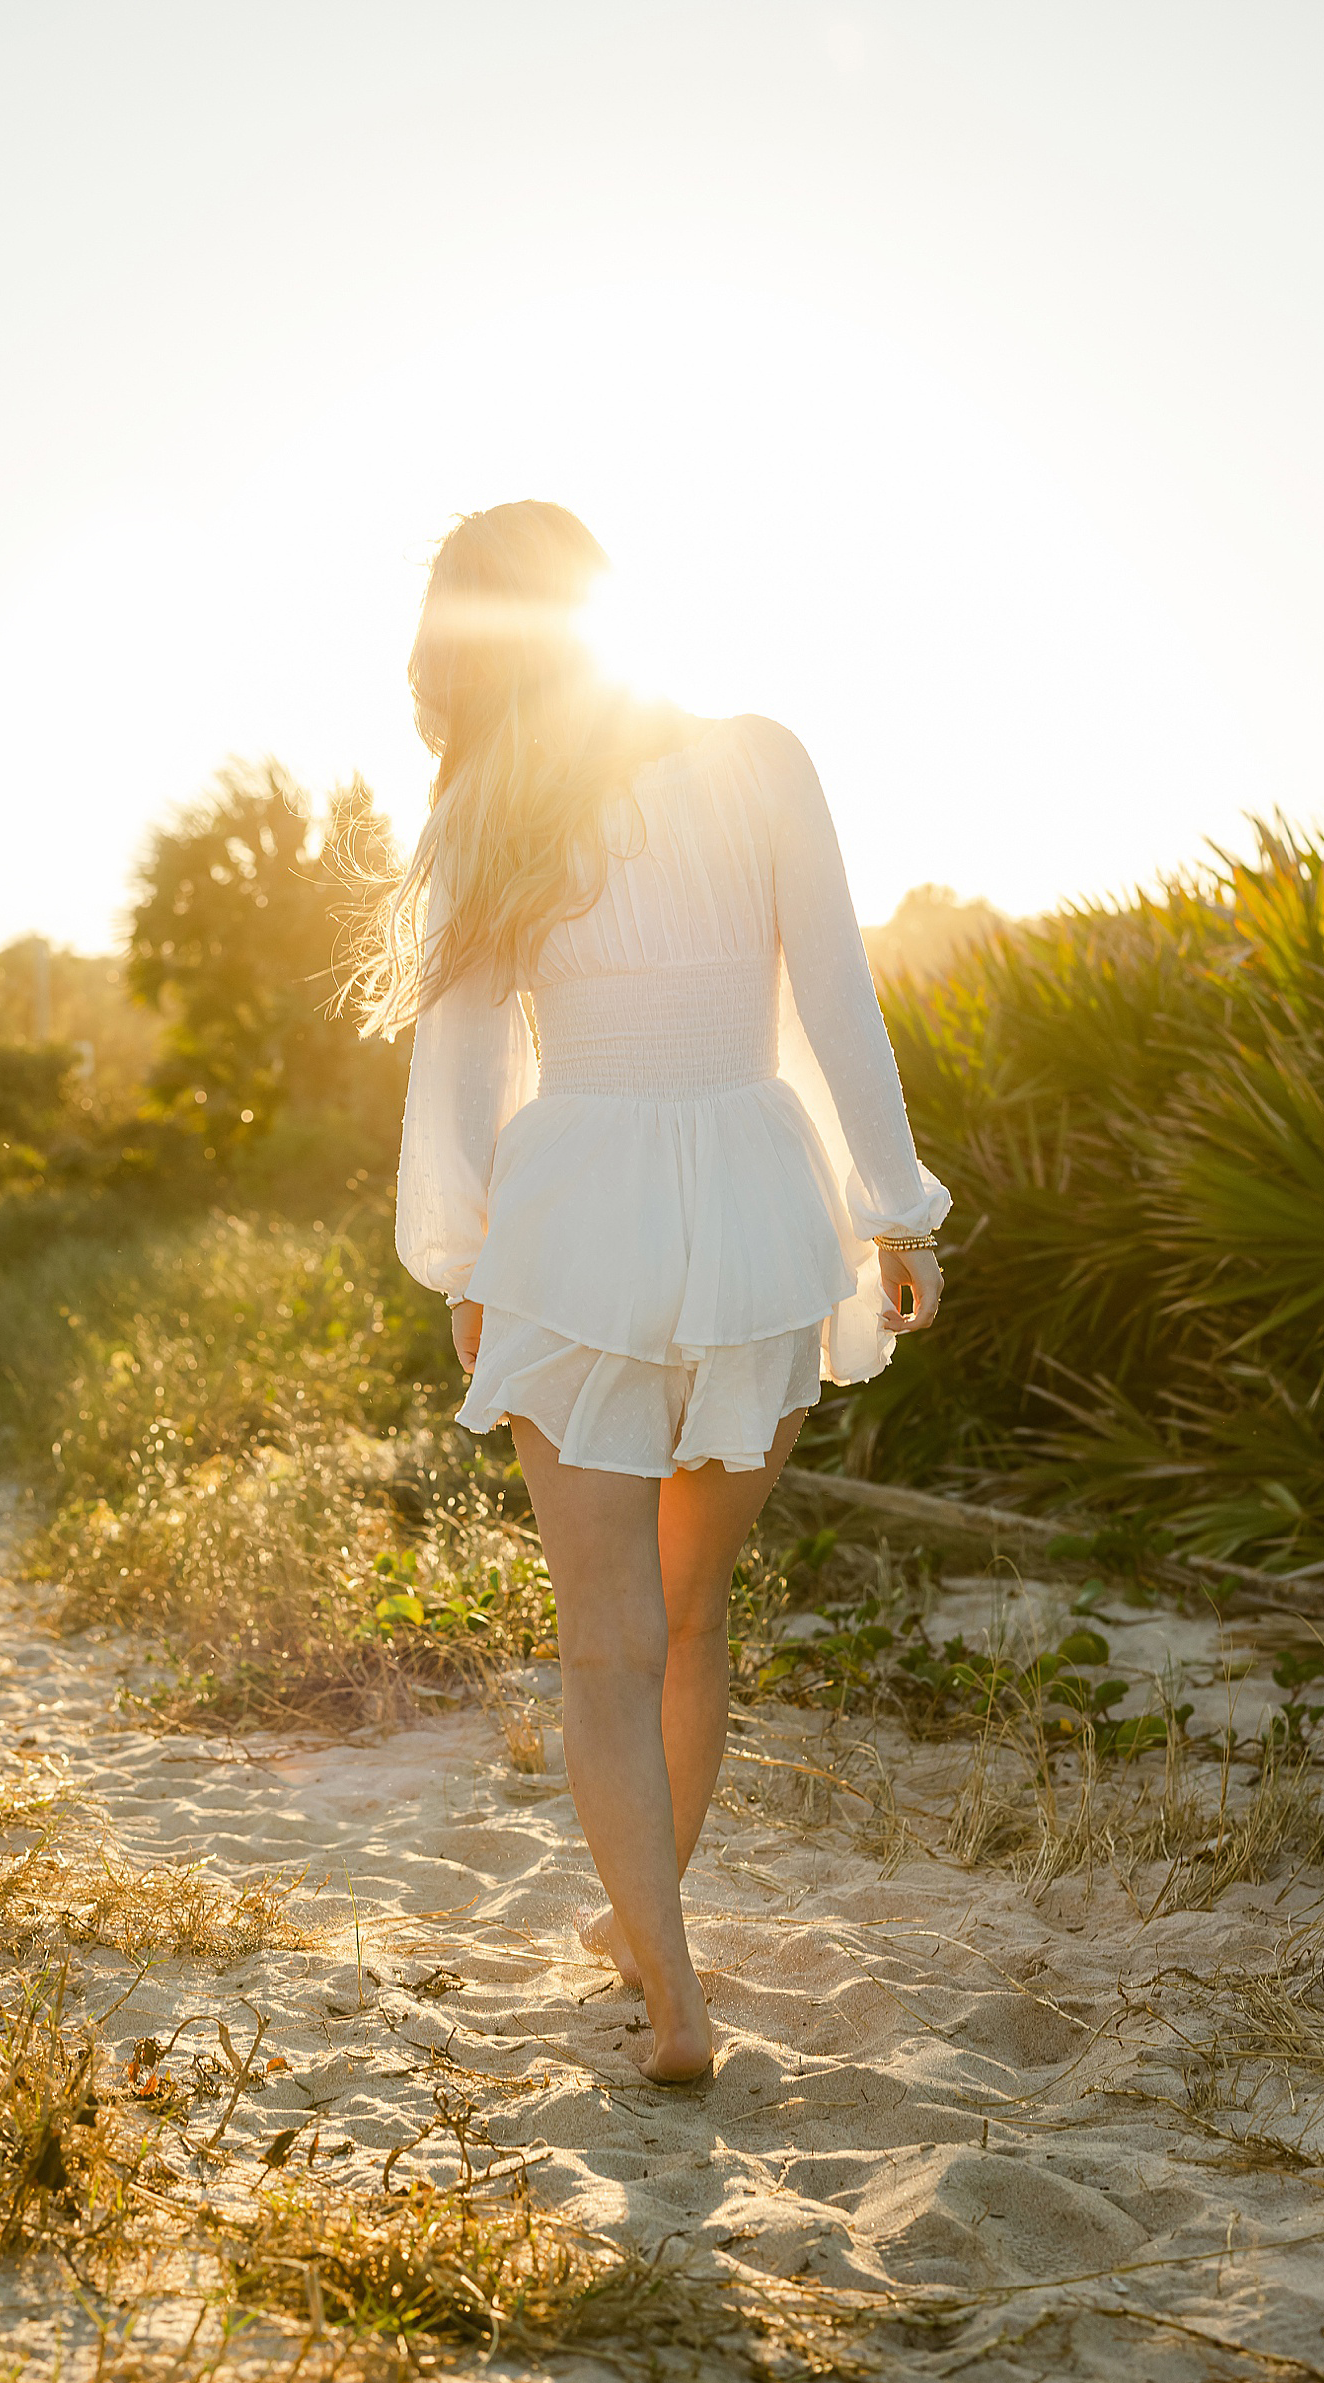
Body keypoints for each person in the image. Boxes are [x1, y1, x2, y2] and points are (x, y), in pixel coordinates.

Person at [351, 502, 947, 2083]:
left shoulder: (488, 805)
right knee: (691, 1618)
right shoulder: (764, 759)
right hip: (758, 1207)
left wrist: (467, 1261)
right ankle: (652, 1930)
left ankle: (672, 1995)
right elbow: (838, 1001)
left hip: (579, 1222)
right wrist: (891, 1211)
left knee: (604, 1640)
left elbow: (466, 1061)